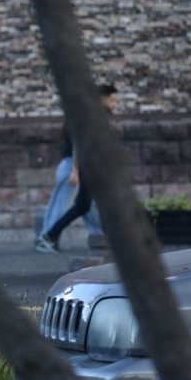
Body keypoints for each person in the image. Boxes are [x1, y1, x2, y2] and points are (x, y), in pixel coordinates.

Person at [35, 83, 119, 253]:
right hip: (83, 167)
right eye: (112, 100)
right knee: (81, 205)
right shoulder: (92, 116)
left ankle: (51, 236)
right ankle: (48, 236)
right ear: (102, 99)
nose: (115, 104)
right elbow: (80, 145)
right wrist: (76, 171)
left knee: (84, 206)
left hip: (87, 167)